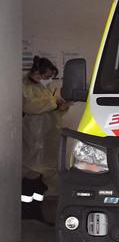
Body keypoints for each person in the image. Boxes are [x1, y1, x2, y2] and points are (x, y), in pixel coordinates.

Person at [22, 56, 71, 223]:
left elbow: (52, 111)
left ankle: (36, 212)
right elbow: (31, 106)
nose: (48, 79)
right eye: (46, 75)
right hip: (34, 138)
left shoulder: (43, 88)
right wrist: (53, 102)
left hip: (47, 136)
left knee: (44, 178)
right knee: (31, 176)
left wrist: (62, 105)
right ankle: (27, 212)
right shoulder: (25, 87)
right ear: (37, 72)